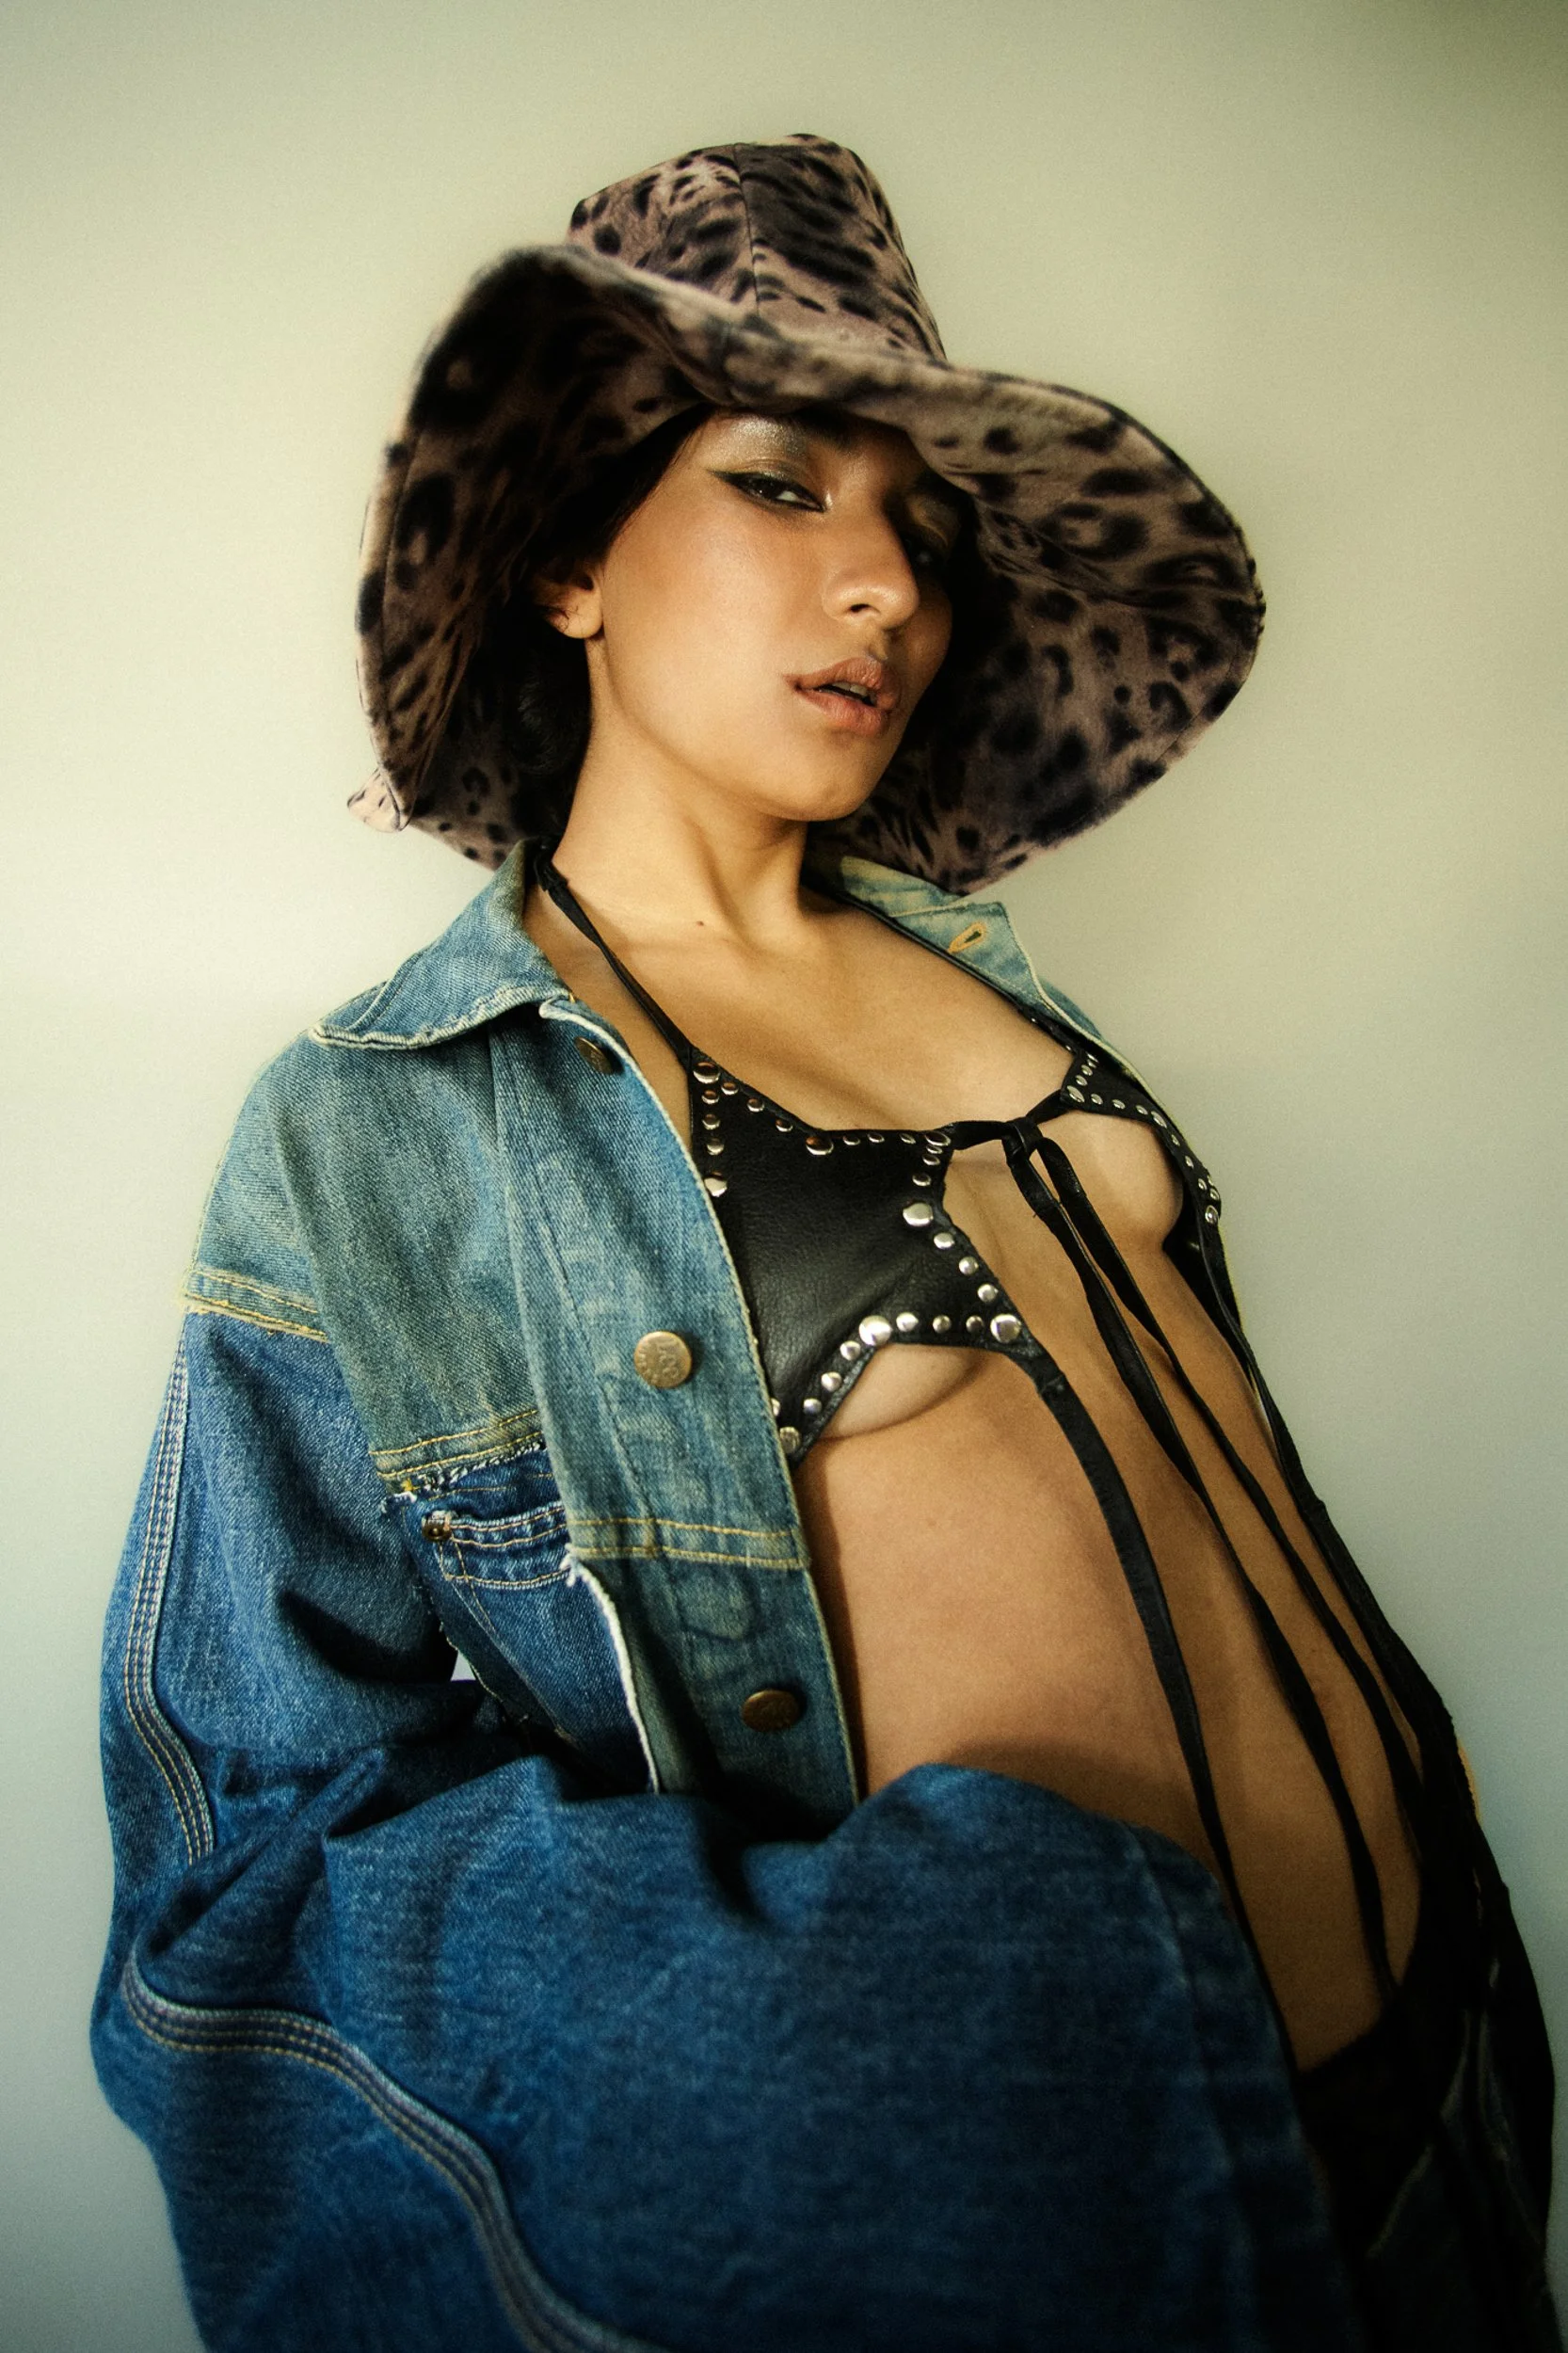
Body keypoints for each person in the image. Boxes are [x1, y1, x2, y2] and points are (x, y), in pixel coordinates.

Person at [93, 136, 1559, 2352]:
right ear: (573, 556)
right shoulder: (387, 1124)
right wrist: (856, 2055)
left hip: (1449, 2094)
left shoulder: (1005, 982)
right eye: (782, 486)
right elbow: (245, 1866)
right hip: (1064, 2233)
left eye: (916, 529)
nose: (881, 584)